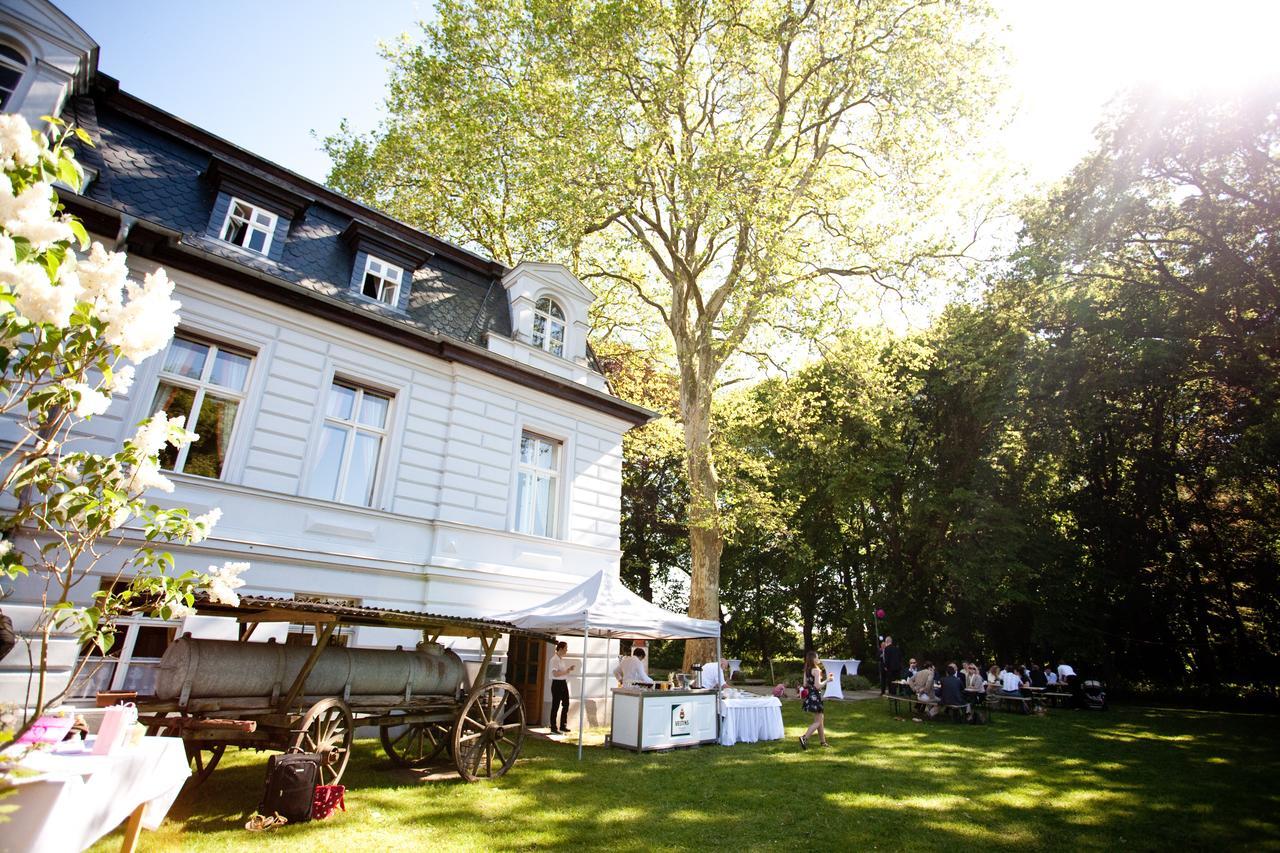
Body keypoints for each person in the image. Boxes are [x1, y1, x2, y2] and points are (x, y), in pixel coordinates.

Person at [799, 651, 833, 748]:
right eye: (817, 657)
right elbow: (818, 686)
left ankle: (823, 742)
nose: (818, 659)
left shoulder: (807, 670)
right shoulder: (816, 670)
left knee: (820, 720)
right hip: (816, 697)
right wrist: (827, 680)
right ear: (813, 659)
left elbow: (805, 684)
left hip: (810, 696)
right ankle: (804, 738)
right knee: (818, 721)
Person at [548, 640, 576, 734]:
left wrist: (568, 670)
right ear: (561, 648)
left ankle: (563, 725)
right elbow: (555, 674)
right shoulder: (554, 659)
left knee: (566, 704)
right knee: (555, 705)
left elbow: (562, 672)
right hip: (557, 684)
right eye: (565, 649)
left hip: (563, 683)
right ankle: (553, 727)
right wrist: (566, 671)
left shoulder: (561, 659)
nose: (566, 650)